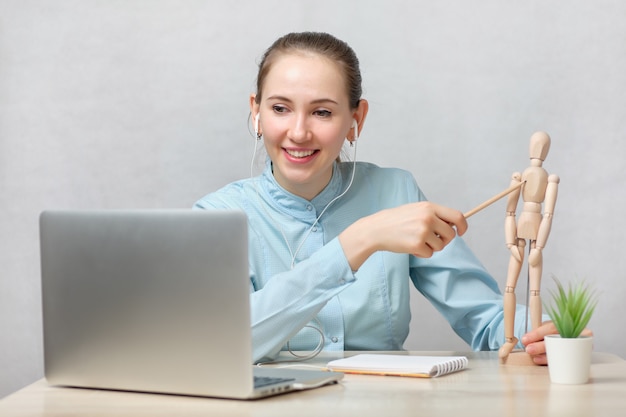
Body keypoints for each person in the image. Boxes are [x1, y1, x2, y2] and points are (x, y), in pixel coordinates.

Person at [194, 31, 558, 365]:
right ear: (256, 112)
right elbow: (222, 342)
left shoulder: (395, 192)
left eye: (322, 112)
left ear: (357, 118)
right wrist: (359, 241)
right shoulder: (216, 217)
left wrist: (541, 333)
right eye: (280, 109)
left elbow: (487, 317)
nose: (299, 132)